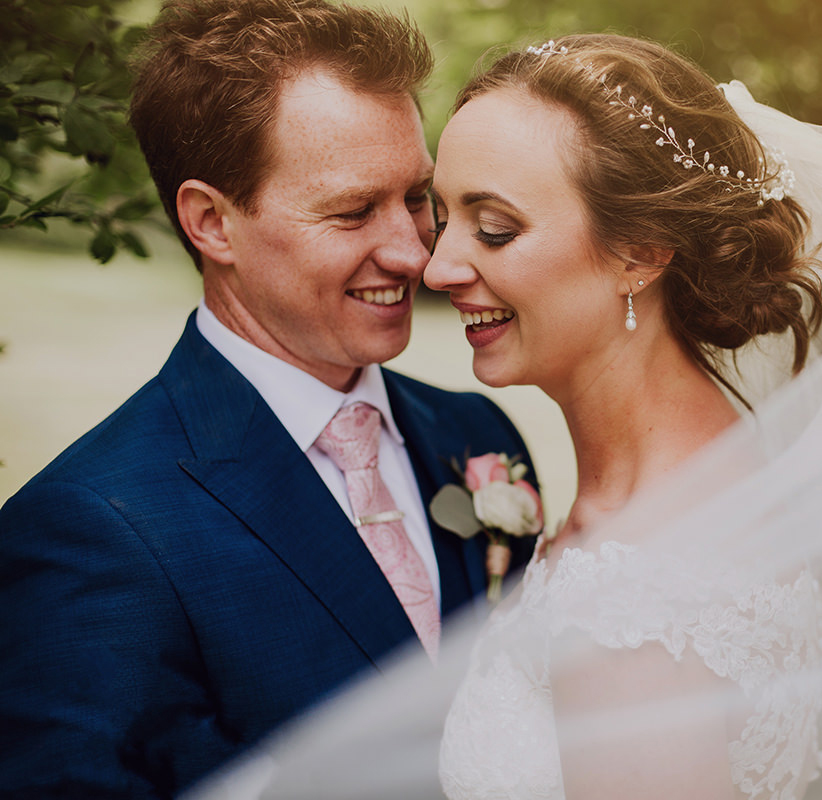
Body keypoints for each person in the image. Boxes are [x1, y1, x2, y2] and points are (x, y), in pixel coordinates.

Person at [185, 33, 822, 800]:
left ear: (639, 252)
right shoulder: (717, 474)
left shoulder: (639, 606)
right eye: (441, 215)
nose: (436, 264)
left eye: (493, 228)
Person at [0, 1, 537, 797]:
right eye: (353, 211)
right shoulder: (90, 534)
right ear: (211, 222)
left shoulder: (476, 433)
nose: (414, 252)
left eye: (416, 196)